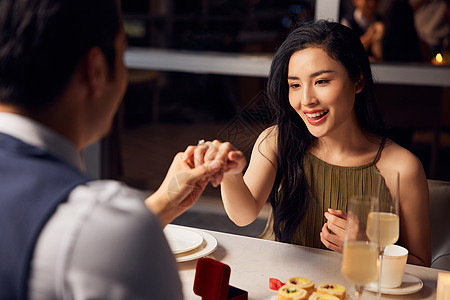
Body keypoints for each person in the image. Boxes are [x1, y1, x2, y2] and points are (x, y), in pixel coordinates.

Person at [0, 0, 224, 299]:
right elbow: (92, 239)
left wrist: (164, 203)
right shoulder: (102, 227)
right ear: (95, 70)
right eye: (123, 56)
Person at [184, 20, 431, 267]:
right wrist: (231, 173)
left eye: (321, 81)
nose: (306, 100)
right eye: (294, 85)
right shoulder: (277, 140)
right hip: (279, 285)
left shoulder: (402, 167)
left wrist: (368, 250)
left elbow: (422, 266)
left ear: (358, 81)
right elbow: (242, 216)